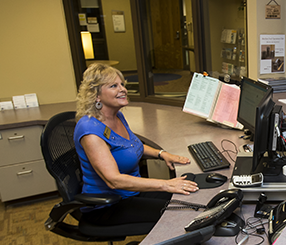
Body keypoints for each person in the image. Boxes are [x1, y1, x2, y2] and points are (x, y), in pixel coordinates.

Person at [74, 63, 198, 227]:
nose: (122, 89)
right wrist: (166, 184)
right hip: (107, 205)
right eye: (113, 86)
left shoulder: (117, 116)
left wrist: (161, 154)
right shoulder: (90, 130)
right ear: (96, 95)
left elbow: (130, 146)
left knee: (192, 185)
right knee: (180, 213)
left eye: (122, 84)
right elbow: (114, 181)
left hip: (131, 193)